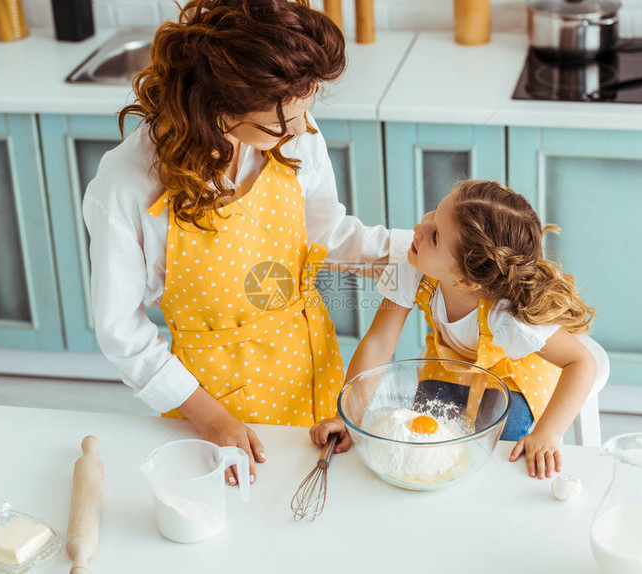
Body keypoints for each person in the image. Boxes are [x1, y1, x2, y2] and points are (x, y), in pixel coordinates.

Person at [83, 0, 409, 484]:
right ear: (219, 103)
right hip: (214, 404)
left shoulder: (291, 132)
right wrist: (210, 417)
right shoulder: (128, 184)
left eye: (306, 110)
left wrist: (417, 250)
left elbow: (327, 233)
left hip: (311, 372)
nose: (301, 130)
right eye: (281, 122)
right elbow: (121, 334)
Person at [310, 180, 597, 479]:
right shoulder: (413, 265)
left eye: (434, 236)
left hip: (512, 374)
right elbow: (379, 342)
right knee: (426, 438)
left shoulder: (507, 317)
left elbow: (581, 362)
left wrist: (548, 433)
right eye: (435, 212)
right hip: (453, 362)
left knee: (501, 453)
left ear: (467, 279)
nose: (419, 228)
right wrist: (349, 416)